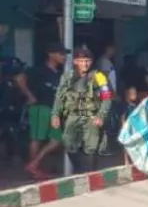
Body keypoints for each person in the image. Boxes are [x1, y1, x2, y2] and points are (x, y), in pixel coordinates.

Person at [50, 46, 112, 174]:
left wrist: (101, 115)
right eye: (82, 60)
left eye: (88, 60)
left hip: (91, 116)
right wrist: (55, 114)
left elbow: (107, 97)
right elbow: (59, 96)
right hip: (72, 116)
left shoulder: (99, 76)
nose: (85, 63)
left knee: (91, 147)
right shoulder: (67, 77)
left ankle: (90, 173)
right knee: (68, 143)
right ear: (75, 61)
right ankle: (80, 170)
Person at [15, 43, 68, 180]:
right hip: (39, 107)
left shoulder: (59, 73)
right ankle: (34, 170)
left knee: (57, 139)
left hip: (52, 109)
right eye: (61, 54)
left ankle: (34, 164)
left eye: (64, 54)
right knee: (37, 138)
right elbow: (19, 78)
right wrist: (29, 95)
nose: (64, 57)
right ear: (51, 55)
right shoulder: (38, 70)